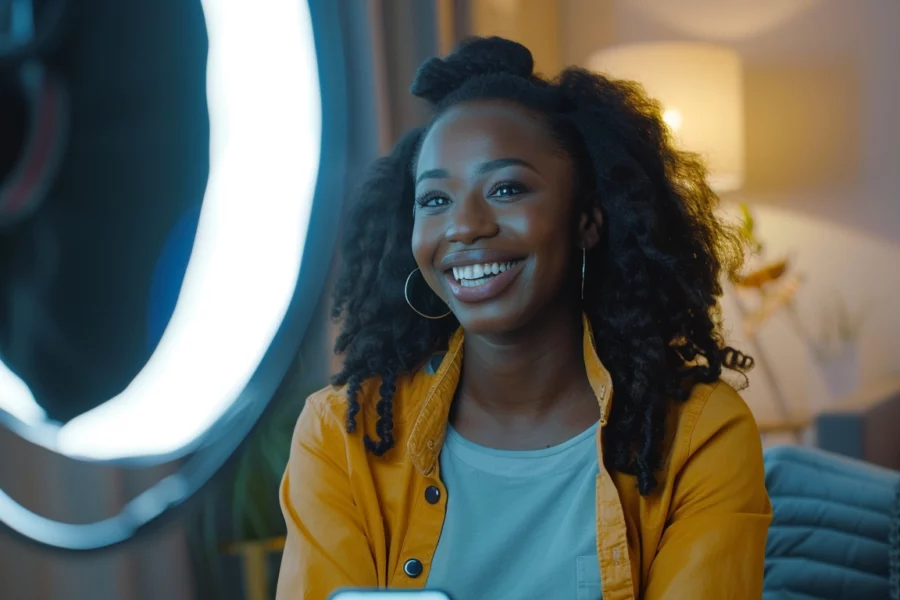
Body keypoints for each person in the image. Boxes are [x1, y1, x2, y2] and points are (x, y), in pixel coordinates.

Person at [276, 37, 771, 600]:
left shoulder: (702, 436)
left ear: (587, 219)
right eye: (434, 200)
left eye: (506, 188)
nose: (463, 226)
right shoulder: (341, 436)